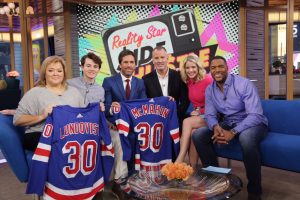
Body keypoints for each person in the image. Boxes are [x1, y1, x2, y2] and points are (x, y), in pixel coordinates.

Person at [192, 56, 268, 200]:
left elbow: (255, 114)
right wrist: (215, 127)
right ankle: (217, 182)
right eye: (213, 68)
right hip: (228, 122)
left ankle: (254, 191)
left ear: (227, 68)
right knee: (198, 135)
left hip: (253, 123)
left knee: (246, 139)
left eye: (220, 66)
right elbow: (210, 114)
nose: (217, 70)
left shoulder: (243, 84)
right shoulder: (210, 90)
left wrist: (233, 132)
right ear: (210, 71)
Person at [13, 56, 85, 151]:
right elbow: (17, 120)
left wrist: (97, 108)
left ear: (64, 73)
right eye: (51, 70)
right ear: (44, 73)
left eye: (59, 71)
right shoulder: (34, 93)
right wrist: (42, 116)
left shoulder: (74, 92)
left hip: (69, 134)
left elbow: (84, 115)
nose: (55, 74)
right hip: (40, 134)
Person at [102, 49, 147, 198]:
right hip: (116, 125)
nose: (129, 65)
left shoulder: (139, 82)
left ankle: (139, 180)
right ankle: (120, 183)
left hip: (135, 126)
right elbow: (107, 107)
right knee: (119, 139)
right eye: (125, 62)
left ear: (135, 64)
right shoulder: (109, 81)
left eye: (131, 62)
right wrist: (114, 117)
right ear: (120, 65)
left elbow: (143, 106)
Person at [175, 54, 213, 169]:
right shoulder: (190, 81)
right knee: (193, 133)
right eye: (187, 68)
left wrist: (200, 110)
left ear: (198, 67)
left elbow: (216, 103)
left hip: (212, 115)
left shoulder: (208, 80)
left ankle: (180, 159)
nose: (190, 70)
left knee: (187, 122)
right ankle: (193, 168)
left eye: (193, 67)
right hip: (200, 117)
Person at [142, 46, 190, 130]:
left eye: (162, 57)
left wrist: (175, 114)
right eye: (156, 58)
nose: (160, 60)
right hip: (155, 123)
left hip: (176, 119)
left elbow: (185, 100)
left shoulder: (178, 75)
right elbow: (145, 102)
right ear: (153, 60)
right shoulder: (145, 79)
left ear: (167, 58)